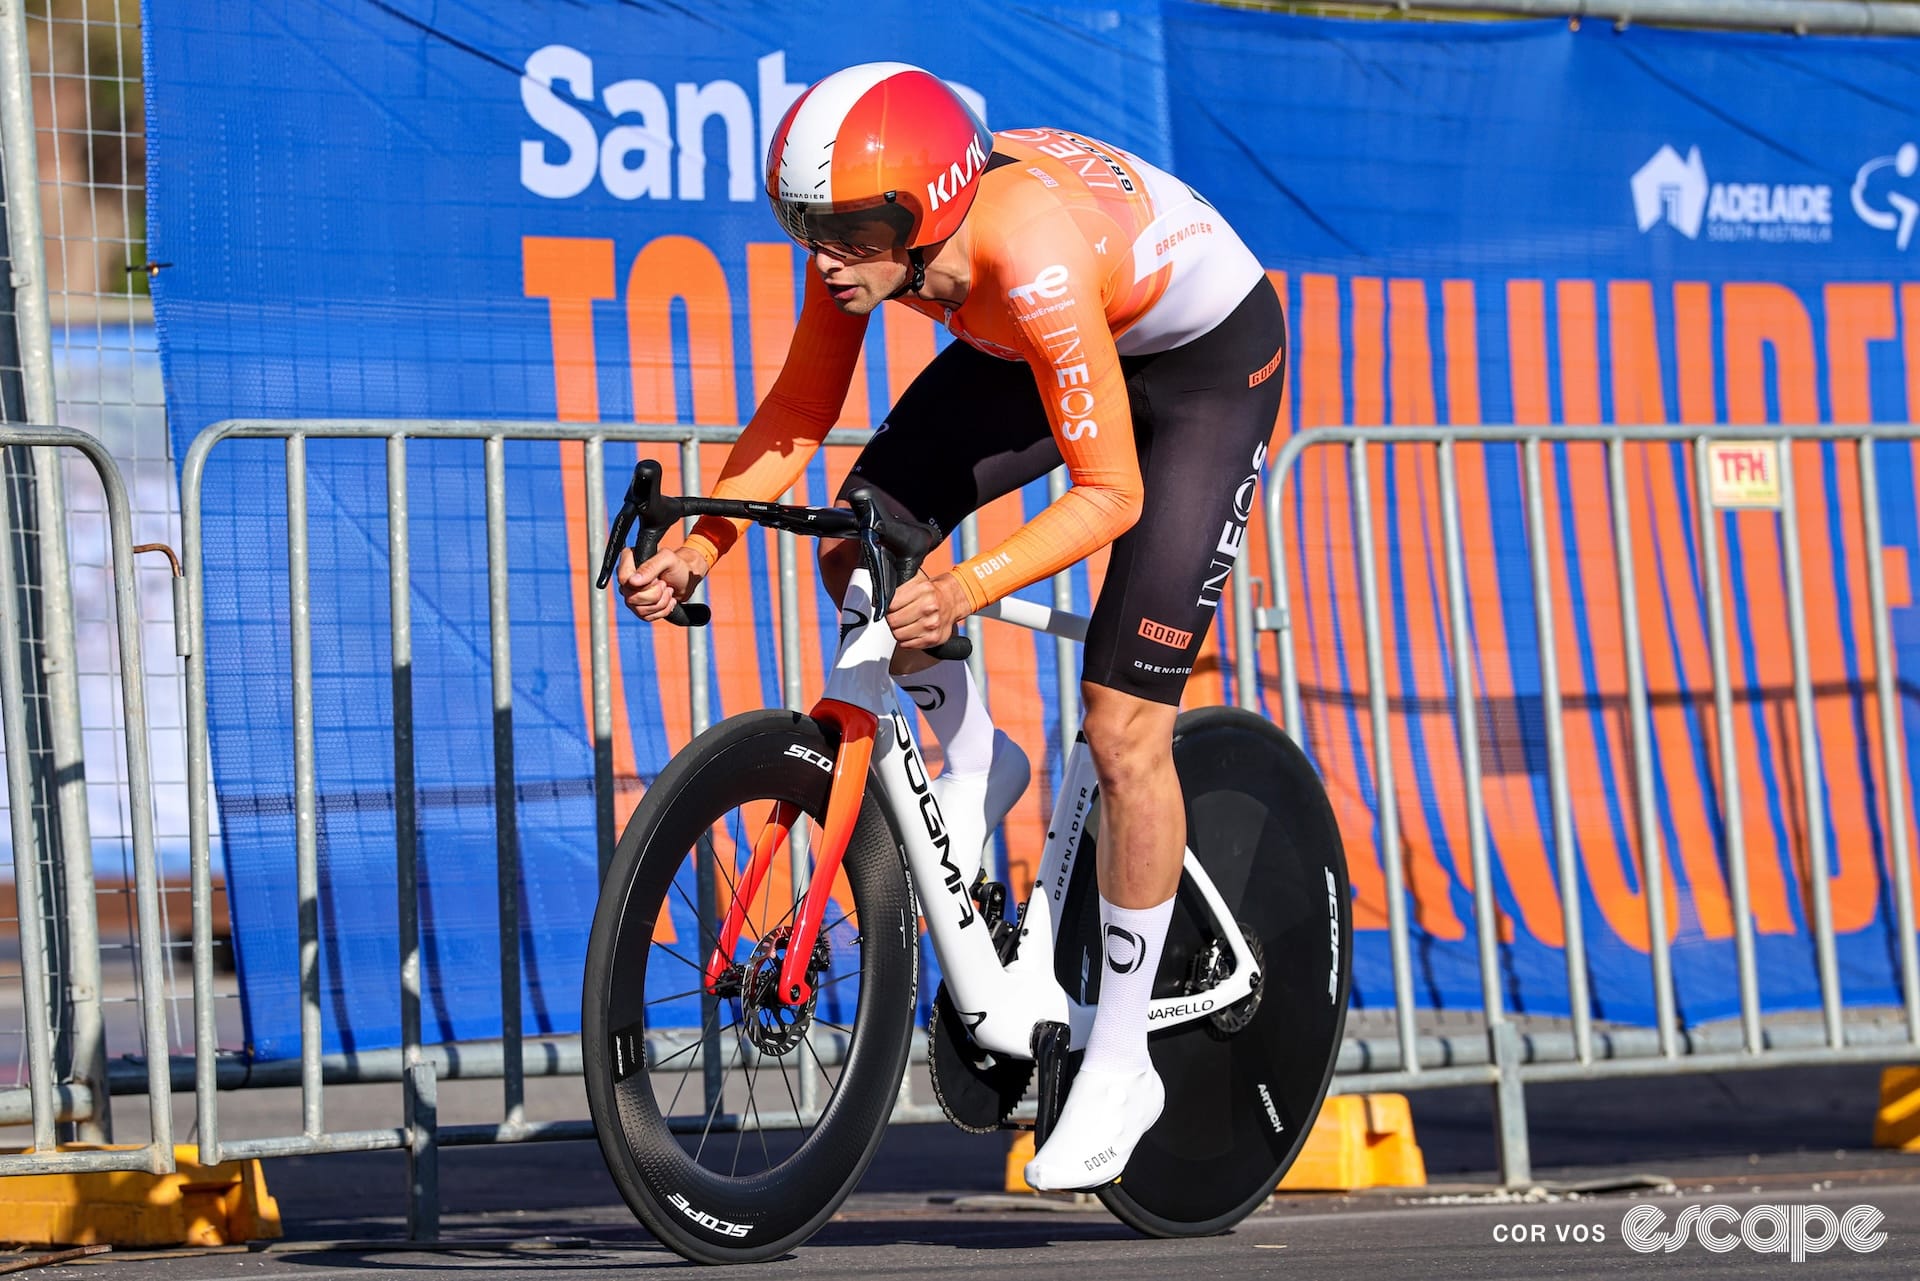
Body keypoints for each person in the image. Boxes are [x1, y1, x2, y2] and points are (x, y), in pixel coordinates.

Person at [616, 61, 1285, 1192]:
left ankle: (1122, 1061)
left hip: (1201, 363)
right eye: (801, 227)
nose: (819, 256)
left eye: (839, 232)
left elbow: (1111, 493)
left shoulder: (1025, 253)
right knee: (860, 541)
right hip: (1040, 345)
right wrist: (702, 541)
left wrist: (967, 589)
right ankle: (975, 756)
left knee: (1125, 730)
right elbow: (797, 410)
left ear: (918, 213)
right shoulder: (877, 252)